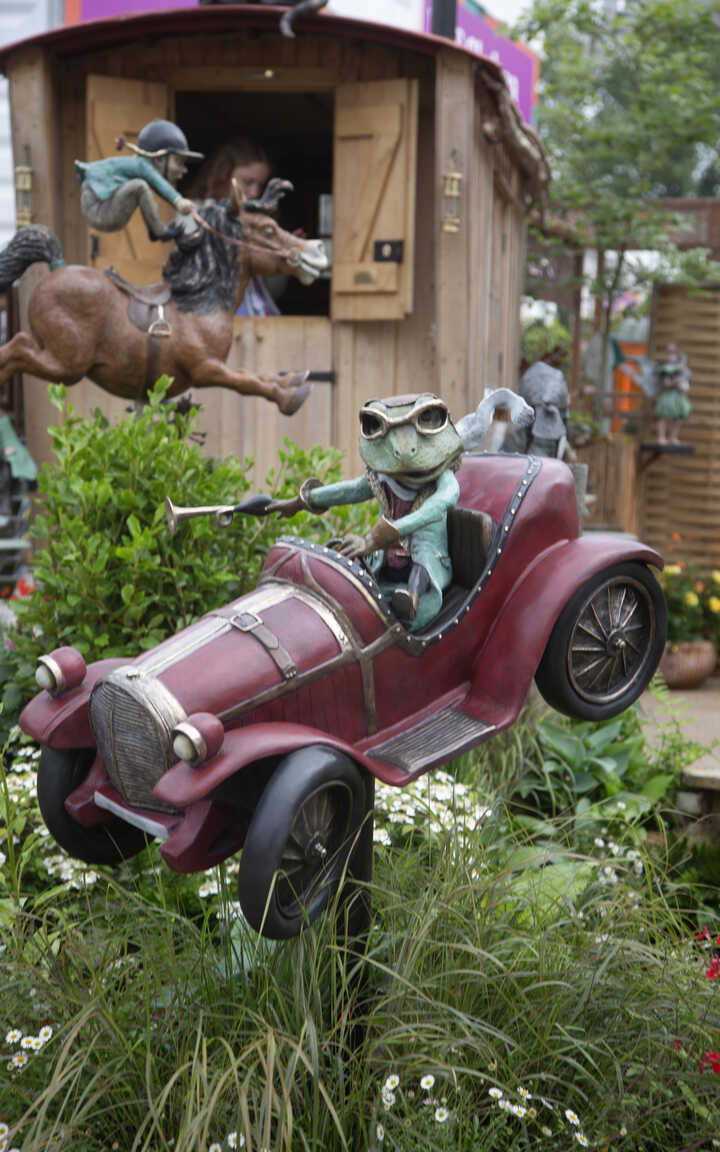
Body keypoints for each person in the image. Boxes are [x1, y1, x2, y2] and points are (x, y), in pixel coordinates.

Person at [191, 137, 285, 315]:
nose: (255, 192)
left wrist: (278, 259)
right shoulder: (192, 213)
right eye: (248, 182)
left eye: (260, 184)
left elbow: (272, 293)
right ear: (224, 176)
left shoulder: (259, 221)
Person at [75, 119, 203, 241]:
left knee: (141, 187)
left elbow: (158, 186)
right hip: (98, 210)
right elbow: (158, 181)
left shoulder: (139, 166)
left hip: (100, 208)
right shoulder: (142, 165)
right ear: (159, 159)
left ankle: (154, 230)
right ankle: (158, 232)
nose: (183, 169)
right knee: (140, 187)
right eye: (178, 161)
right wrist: (178, 200)